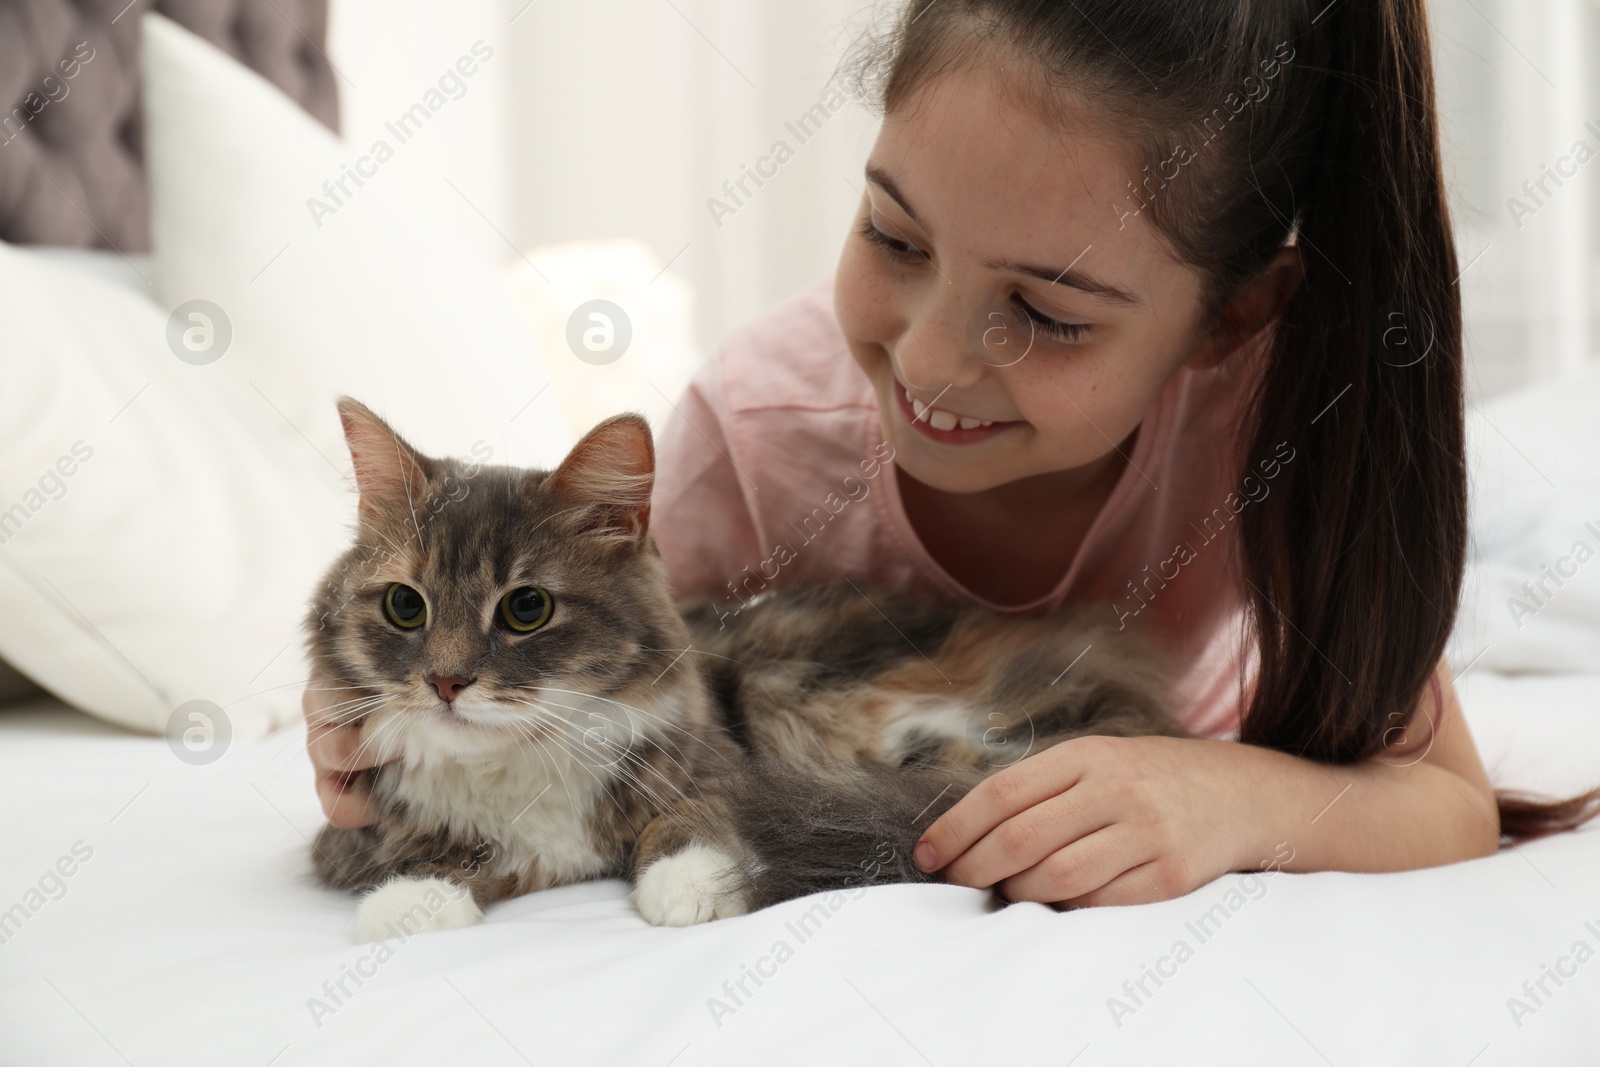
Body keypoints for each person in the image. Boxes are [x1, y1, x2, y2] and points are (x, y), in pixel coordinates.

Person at [305, 0, 1598, 908]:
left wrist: (1228, 802)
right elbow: (612, 731)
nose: (927, 362)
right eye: (894, 238)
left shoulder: (1269, 431)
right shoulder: (759, 437)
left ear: (1233, 316)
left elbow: (1446, 799)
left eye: (1042, 311)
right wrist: (389, 750)